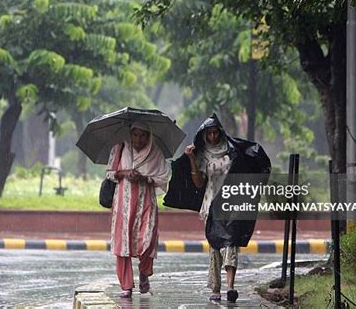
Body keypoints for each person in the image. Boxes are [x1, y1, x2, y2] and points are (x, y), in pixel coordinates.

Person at [165, 113, 271, 303]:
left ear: (220, 133)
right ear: (204, 135)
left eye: (216, 132)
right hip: (211, 204)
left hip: (232, 203)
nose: (213, 137)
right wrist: (191, 159)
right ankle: (216, 287)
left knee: (230, 243)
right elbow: (198, 184)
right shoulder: (202, 155)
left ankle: (230, 287)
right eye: (209, 134)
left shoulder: (233, 151)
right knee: (215, 245)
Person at [106, 121, 170, 298]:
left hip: (146, 201)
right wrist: (125, 173)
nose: (139, 139)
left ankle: (144, 273)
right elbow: (110, 173)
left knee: (147, 239)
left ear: (149, 136)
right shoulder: (119, 148)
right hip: (123, 203)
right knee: (123, 242)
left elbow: (162, 177)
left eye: (143, 135)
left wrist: (145, 178)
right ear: (130, 134)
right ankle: (126, 285)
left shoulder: (155, 152)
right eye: (135, 134)